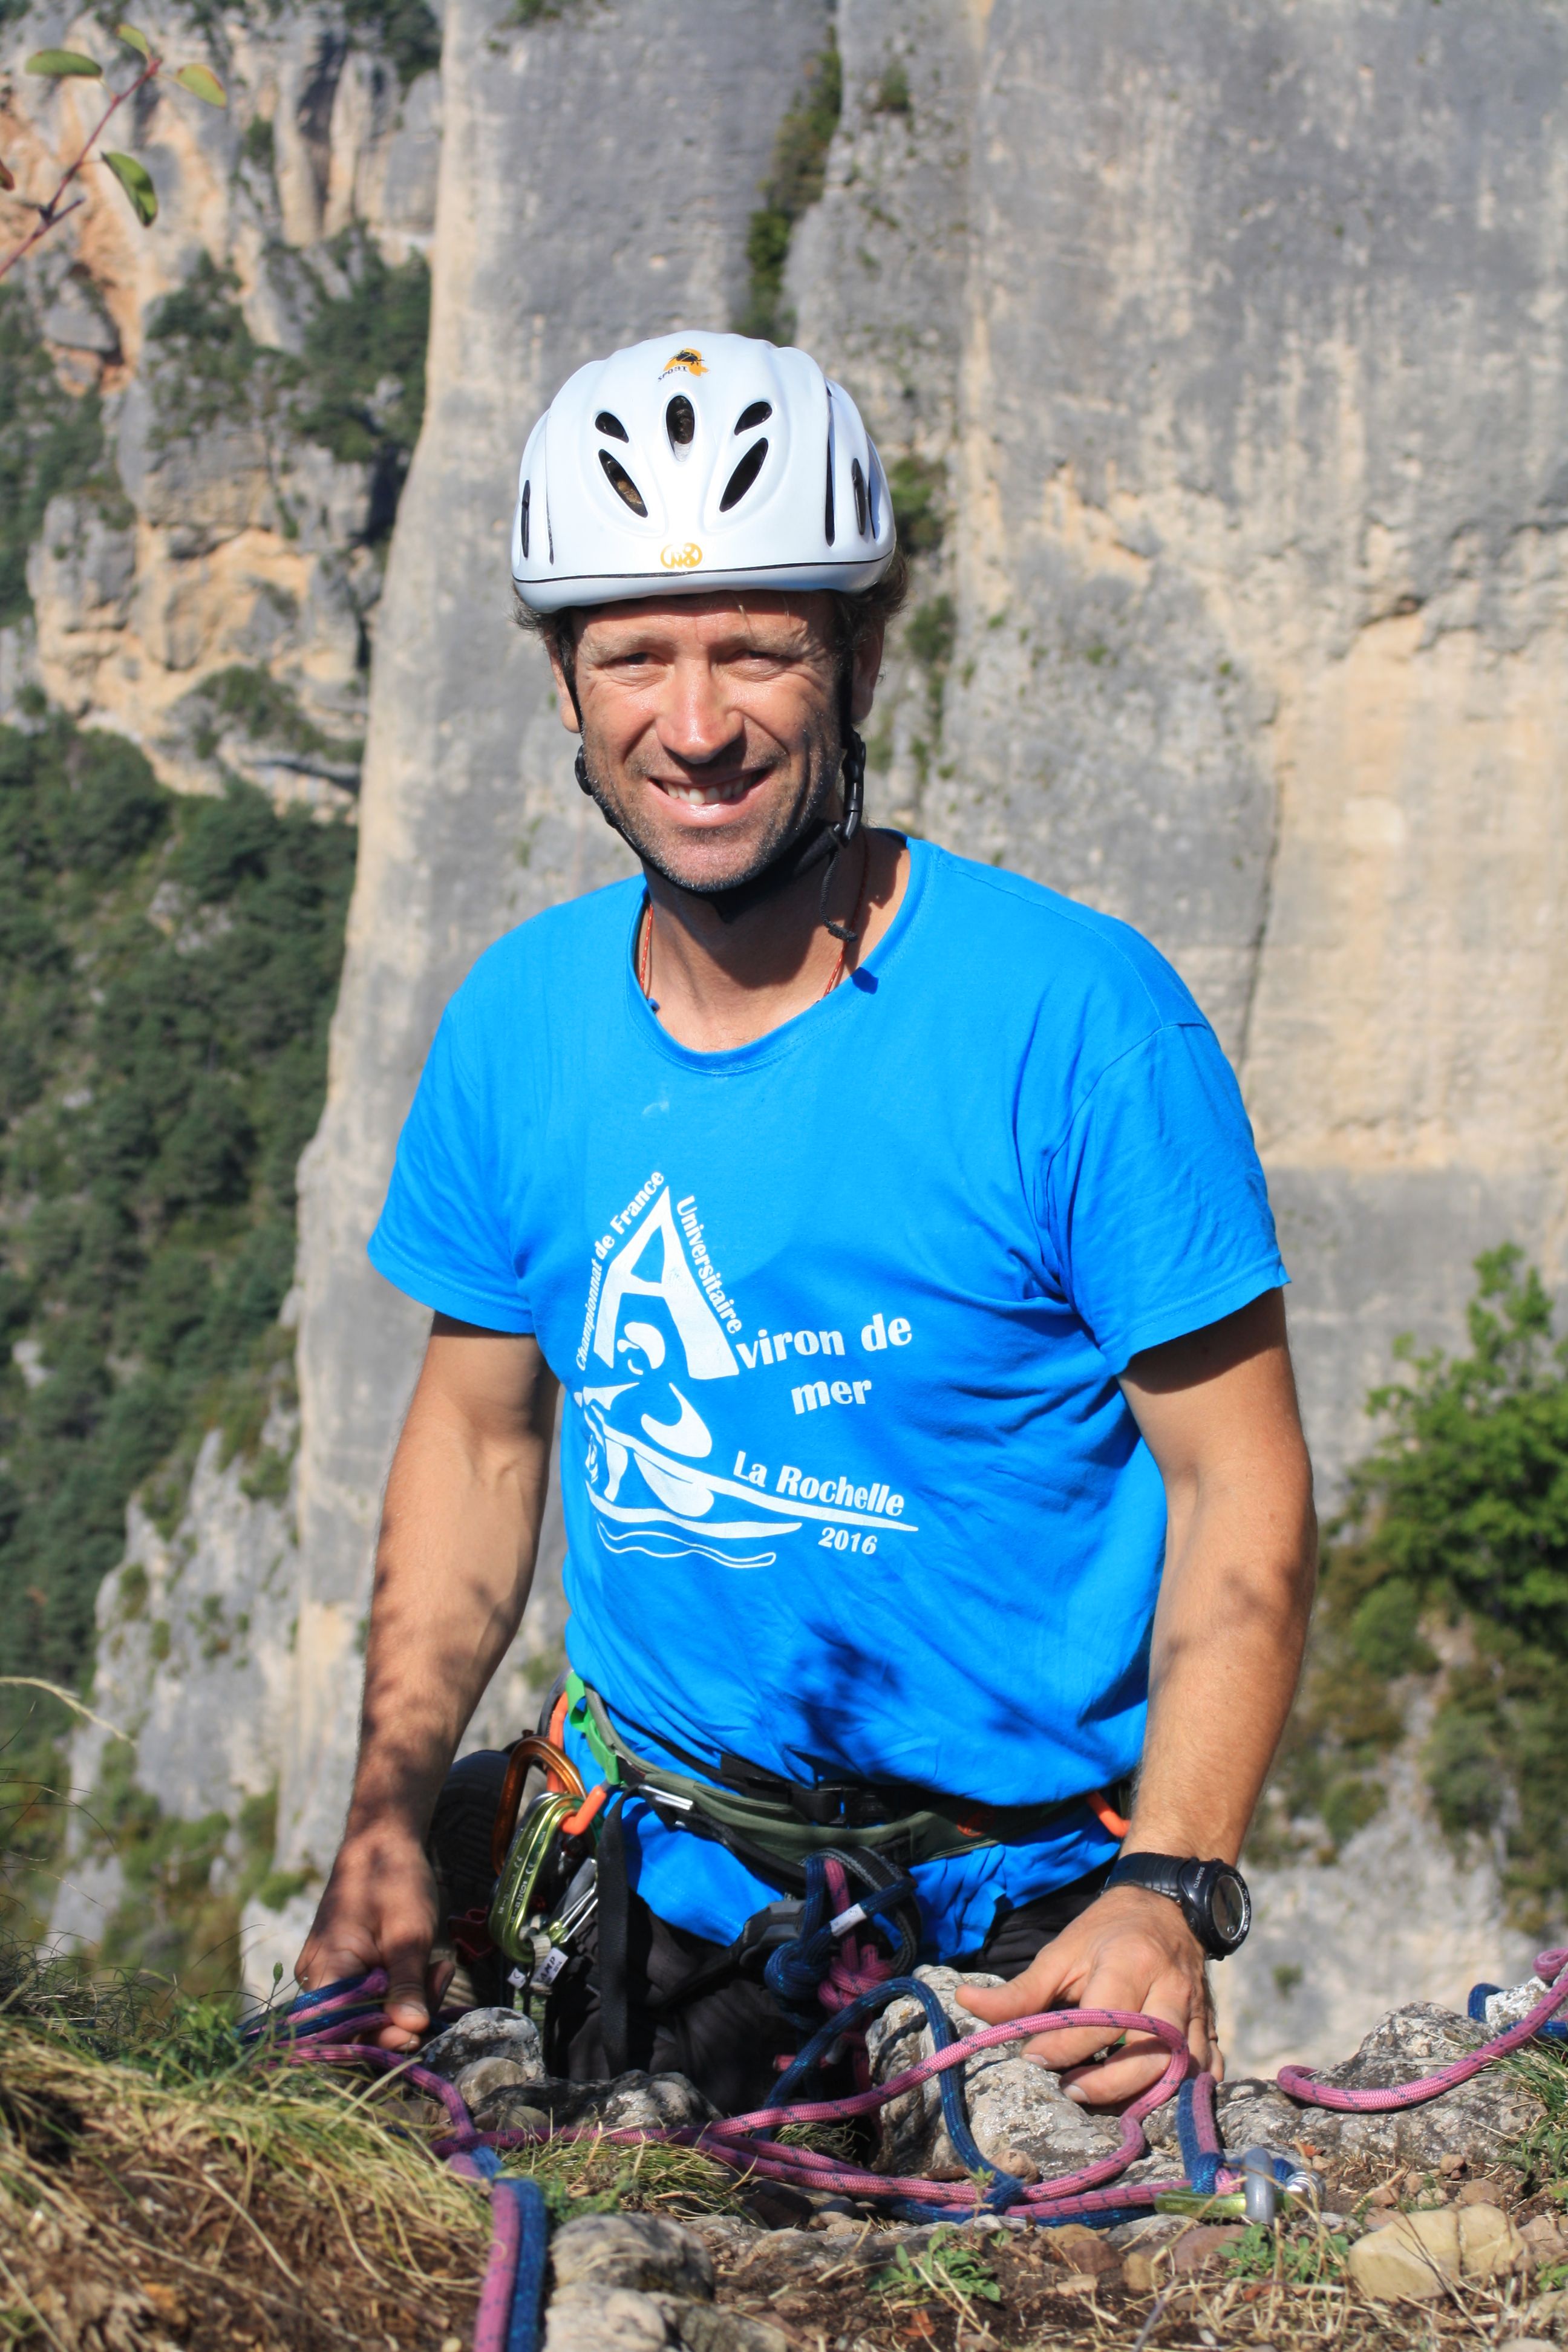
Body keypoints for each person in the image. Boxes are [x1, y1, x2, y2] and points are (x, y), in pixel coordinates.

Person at [297, 330, 1317, 2120]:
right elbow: (478, 1437)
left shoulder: (1077, 1023)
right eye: (636, 657)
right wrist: (384, 1815)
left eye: (758, 650)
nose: (696, 726)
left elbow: (1240, 1479)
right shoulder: (519, 1027)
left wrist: (1173, 1883)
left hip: (1026, 1907)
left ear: (859, 662)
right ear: (564, 685)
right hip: (655, 1878)